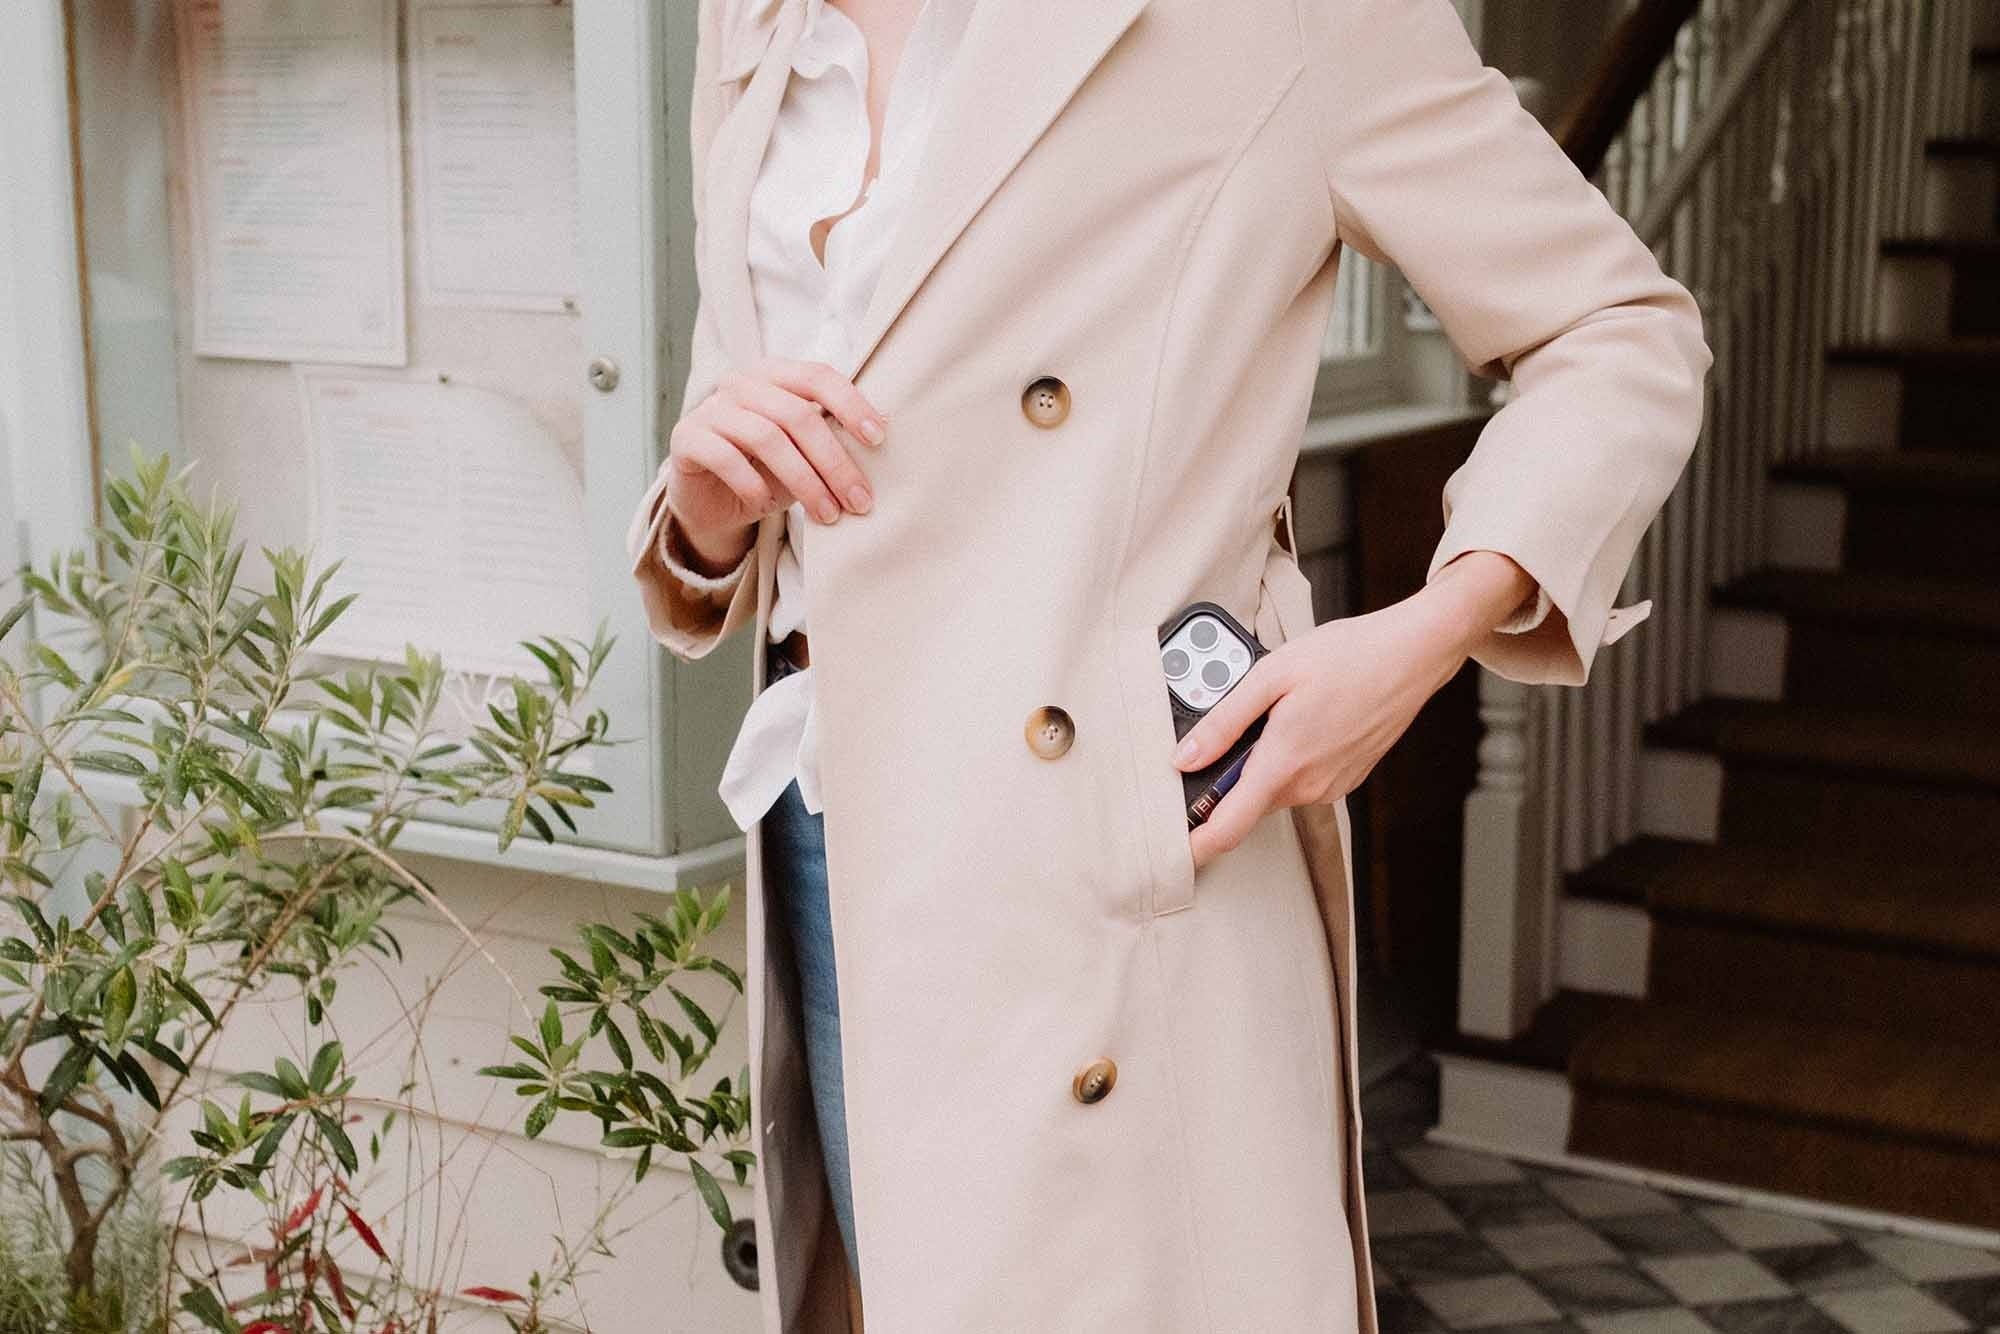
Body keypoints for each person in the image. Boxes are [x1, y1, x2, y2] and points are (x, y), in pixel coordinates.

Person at [625, 0, 1713, 1328]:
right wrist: (704, 504)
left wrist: (1425, 637)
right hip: (833, 828)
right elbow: (744, 410)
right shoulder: (750, 17)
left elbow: (1618, 331)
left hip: (1107, 844)